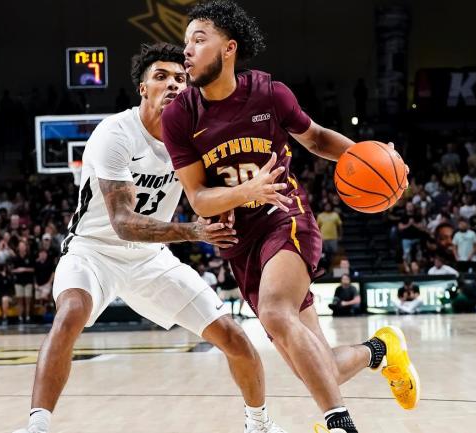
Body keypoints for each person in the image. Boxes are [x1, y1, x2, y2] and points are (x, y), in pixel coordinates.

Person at [162, 3, 418, 432]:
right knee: (319, 370)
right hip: (240, 245)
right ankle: (382, 349)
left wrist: (378, 159)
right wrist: (244, 192)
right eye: (185, 41)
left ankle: (340, 426)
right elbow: (199, 198)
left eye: (198, 39)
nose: (186, 50)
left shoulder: (268, 93)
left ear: (229, 48)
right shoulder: (180, 116)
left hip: (286, 219)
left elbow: (315, 138)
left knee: (278, 313)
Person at [13, 42, 287, 433]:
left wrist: (238, 200)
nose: (173, 84)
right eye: (161, 77)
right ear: (143, 88)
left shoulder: (194, 140)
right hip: (94, 251)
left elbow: (210, 198)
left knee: (234, 336)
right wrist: (194, 231)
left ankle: (259, 424)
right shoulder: (115, 134)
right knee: (71, 313)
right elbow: (124, 223)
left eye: (181, 78)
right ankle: (37, 426)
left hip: (149, 258)